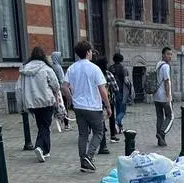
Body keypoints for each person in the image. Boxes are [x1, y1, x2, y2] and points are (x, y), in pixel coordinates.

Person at [62, 39, 111, 173]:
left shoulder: (72, 68)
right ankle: (89, 157)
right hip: (93, 106)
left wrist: (71, 99)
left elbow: (64, 87)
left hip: (79, 106)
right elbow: (102, 89)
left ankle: (83, 160)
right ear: (88, 52)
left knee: (83, 134)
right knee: (99, 132)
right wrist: (108, 106)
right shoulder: (95, 68)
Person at [15, 46, 61, 163]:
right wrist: (56, 97)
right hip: (46, 101)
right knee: (45, 126)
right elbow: (55, 85)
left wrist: (21, 104)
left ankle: (46, 150)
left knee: (41, 125)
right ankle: (40, 146)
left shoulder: (24, 70)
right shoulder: (46, 69)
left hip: (32, 103)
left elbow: (19, 88)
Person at [153, 46, 173, 148]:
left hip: (156, 95)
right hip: (163, 96)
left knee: (160, 117)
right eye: (168, 54)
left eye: (171, 54)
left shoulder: (158, 64)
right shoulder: (165, 66)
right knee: (170, 116)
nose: (170, 56)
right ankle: (161, 133)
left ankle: (160, 141)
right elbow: (166, 81)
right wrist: (168, 96)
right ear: (163, 55)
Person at [51, 51, 70, 131]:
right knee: (63, 106)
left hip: (53, 91)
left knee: (56, 107)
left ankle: (59, 122)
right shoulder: (58, 67)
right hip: (60, 91)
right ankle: (66, 124)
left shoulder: (51, 66)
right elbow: (62, 80)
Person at [111, 53, 129, 134]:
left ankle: (120, 127)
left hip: (113, 91)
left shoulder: (110, 68)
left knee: (117, 110)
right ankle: (116, 122)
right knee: (122, 111)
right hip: (121, 91)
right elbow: (126, 81)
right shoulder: (123, 69)